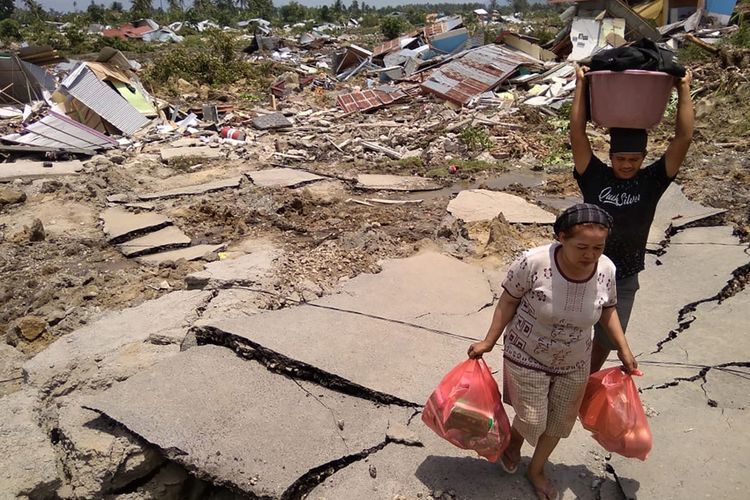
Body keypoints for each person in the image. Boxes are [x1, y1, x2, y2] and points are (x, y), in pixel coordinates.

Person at [468, 204, 638, 500]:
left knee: (559, 422)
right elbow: (508, 301)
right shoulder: (533, 263)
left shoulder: (606, 269)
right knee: (534, 419)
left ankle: (536, 469)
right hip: (527, 354)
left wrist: (623, 349)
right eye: (582, 247)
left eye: (598, 247)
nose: (591, 255)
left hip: (575, 360)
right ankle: (514, 442)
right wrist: (488, 341)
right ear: (561, 237)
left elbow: (608, 309)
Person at [569, 65, 695, 373]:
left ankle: (584, 382)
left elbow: (684, 137)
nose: (627, 165)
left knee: (608, 340)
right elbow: (576, 132)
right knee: (571, 333)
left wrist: (683, 89)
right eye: (621, 159)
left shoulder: (652, 180)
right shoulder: (594, 176)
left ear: (643, 159)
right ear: (610, 157)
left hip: (624, 276)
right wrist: (582, 86)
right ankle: (566, 380)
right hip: (585, 267)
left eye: (634, 160)